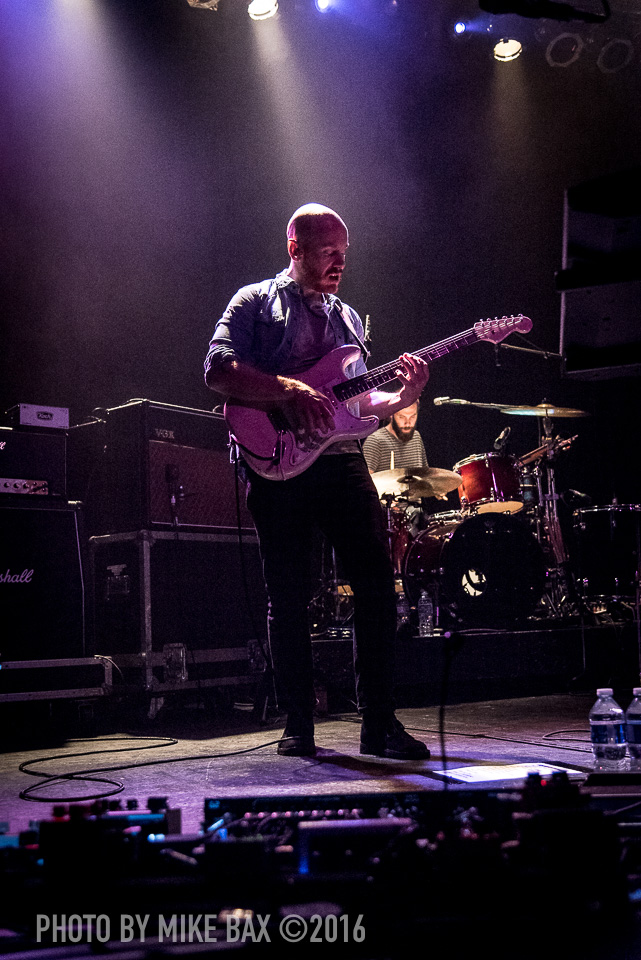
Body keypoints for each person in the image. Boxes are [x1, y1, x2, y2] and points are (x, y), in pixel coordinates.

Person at [204, 203, 430, 760]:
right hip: (276, 462)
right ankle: (298, 724)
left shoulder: (349, 319)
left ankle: (379, 722)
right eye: (328, 251)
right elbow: (217, 370)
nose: (338, 261)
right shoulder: (254, 302)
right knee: (288, 594)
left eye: (344, 252)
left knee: (378, 584)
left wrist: (403, 395)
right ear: (295, 247)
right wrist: (287, 389)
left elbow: (357, 400)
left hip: (341, 459)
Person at [362, 401, 428, 475]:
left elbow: (425, 475)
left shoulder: (416, 437)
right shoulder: (375, 441)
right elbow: (365, 480)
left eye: (412, 416)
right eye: (402, 417)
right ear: (391, 415)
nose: (408, 423)